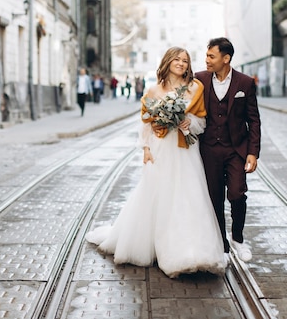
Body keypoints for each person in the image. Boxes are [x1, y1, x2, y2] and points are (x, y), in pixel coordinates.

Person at [86, 47, 226, 278]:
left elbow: (202, 121)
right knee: (160, 195)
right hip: (161, 149)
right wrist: (146, 148)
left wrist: (188, 123)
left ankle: (195, 251)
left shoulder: (195, 87)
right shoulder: (154, 90)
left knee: (189, 195)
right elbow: (146, 123)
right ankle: (163, 248)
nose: (181, 63)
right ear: (168, 61)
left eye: (185, 60)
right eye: (177, 59)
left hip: (185, 150)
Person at [195, 37, 261, 264]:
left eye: (211, 56)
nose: (207, 60)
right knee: (214, 198)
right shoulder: (199, 79)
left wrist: (253, 152)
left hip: (235, 149)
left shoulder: (245, 83)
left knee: (236, 193)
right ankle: (222, 244)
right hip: (209, 149)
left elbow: (254, 120)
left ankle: (238, 239)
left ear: (226, 58)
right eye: (206, 56)